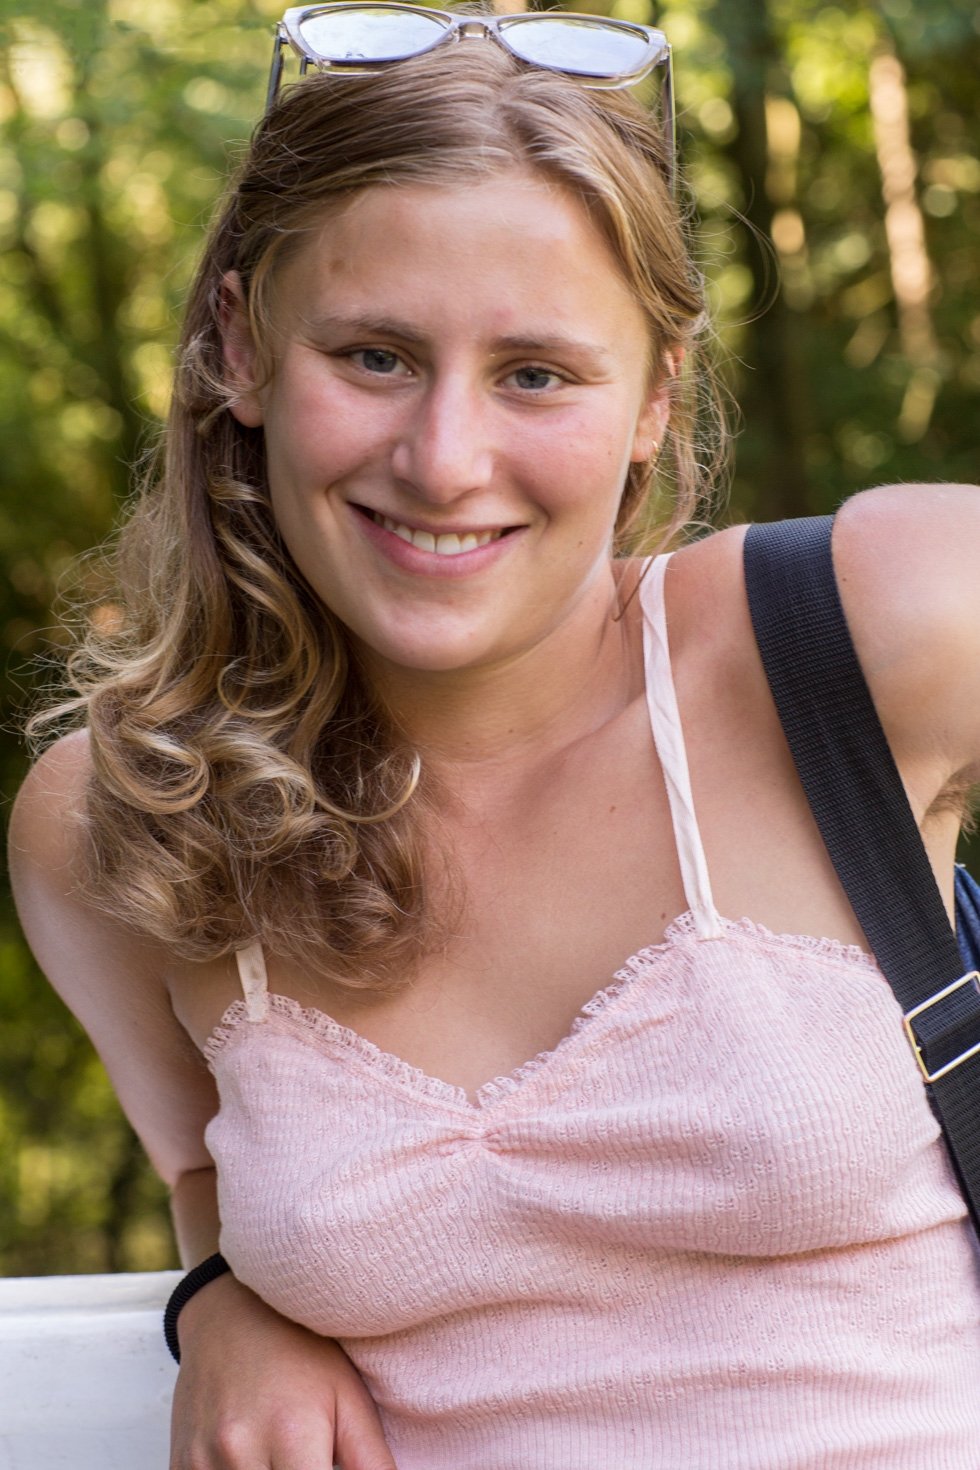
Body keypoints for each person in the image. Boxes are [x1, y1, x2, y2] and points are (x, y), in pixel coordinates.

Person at [9, 7, 980, 1468]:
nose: (445, 460)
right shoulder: (121, 817)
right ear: (241, 351)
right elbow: (208, 1174)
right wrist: (224, 1305)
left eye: (536, 373)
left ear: (654, 397)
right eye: (374, 356)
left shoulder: (867, 628)